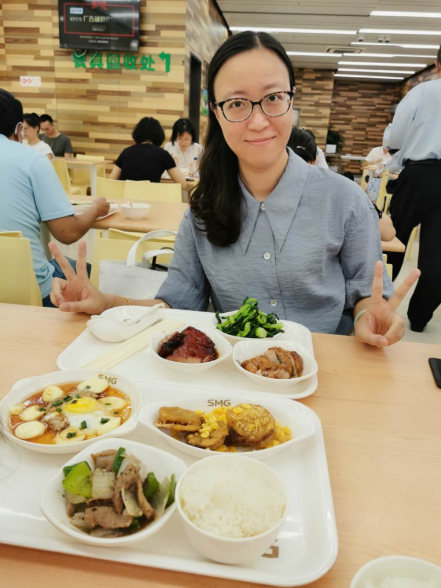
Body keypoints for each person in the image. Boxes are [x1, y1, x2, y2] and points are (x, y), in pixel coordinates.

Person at [49, 32, 420, 348]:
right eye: (237, 103)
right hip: (232, 380)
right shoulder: (203, 209)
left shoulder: (346, 200)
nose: (258, 121)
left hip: (327, 371)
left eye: (273, 98)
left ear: (291, 100)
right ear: (216, 111)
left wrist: (369, 317)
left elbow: (366, 295)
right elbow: (176, 303)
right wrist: (108, 303)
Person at [0, 89, 109, 305]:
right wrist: (95, 208)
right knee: (95, 273)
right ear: (19, 129)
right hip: (30, 289)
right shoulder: (32, 159)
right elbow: (67, 232)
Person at [383, 44, 441, 332]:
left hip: (419, 173)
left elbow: (396, 136)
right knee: (438, 255)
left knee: (393, 239)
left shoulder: (423, 91)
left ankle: (379, 301)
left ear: (437, 64)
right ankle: (419, 317)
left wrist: (395, 148)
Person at [109, 117, 188, 189]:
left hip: (125, 199)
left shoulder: (126, 152)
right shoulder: (163, 154)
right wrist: (175, 164)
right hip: (151, 199)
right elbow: (182, 184)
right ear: (159, 135)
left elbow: (111, 181)